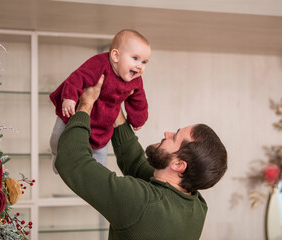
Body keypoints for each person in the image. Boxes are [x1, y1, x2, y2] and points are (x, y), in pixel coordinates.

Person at [55, 75, 228, 240]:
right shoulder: (196, 205)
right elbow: (137, 165)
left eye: (174, 137)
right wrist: (114, 106)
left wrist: (86, 103)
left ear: (178, 164)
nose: (167, 133)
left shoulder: (143, 204)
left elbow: (73, 161)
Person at [50, 29, 151, 173]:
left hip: (103, 123)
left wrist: (138, 119)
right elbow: (77, 77)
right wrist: (69, 97)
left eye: (144, 62)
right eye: (135, 58)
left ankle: (96, 181)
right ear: (116, 55)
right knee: (57, 141)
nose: (140, 66)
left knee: (99, 158)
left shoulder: (136, 80)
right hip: (75, 114)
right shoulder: (99, 64)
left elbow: (139, 100)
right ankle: (56, 155)